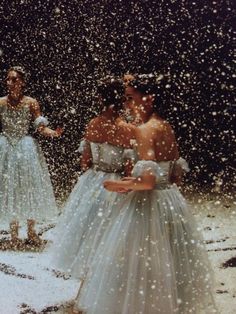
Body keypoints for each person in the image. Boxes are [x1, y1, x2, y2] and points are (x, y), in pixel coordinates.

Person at [72, 74, 217, 314]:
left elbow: (148, 181)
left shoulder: (144, 130)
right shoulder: (166, 126)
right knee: (169, 262)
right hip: (170, 202)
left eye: (130, 98)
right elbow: (174, 176)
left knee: (137, 265)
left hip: (149, 205)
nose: (126, 104)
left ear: (148, 99)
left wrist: (122, 185)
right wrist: (137, 181)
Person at [47, 76, 134, 280]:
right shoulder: (127, 129)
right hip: (116, 183)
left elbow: (84, 162)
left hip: (94, 182)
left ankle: (88, 279)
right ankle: (106, 282)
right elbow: (129, 168)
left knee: (88, 231)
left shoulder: (93, 124)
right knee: (111, 235)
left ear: (100, 99)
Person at [0, 66, 62, 244]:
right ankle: (13, 233)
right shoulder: (1, 103)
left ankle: (31, 230)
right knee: (9, 187)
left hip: (25, 148)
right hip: (6, 146)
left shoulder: (31, 102)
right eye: (8, 79)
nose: (9, 82)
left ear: (22, 82)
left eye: (14, 79)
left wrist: (53, 133)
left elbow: (39, 127)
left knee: (28, 186)